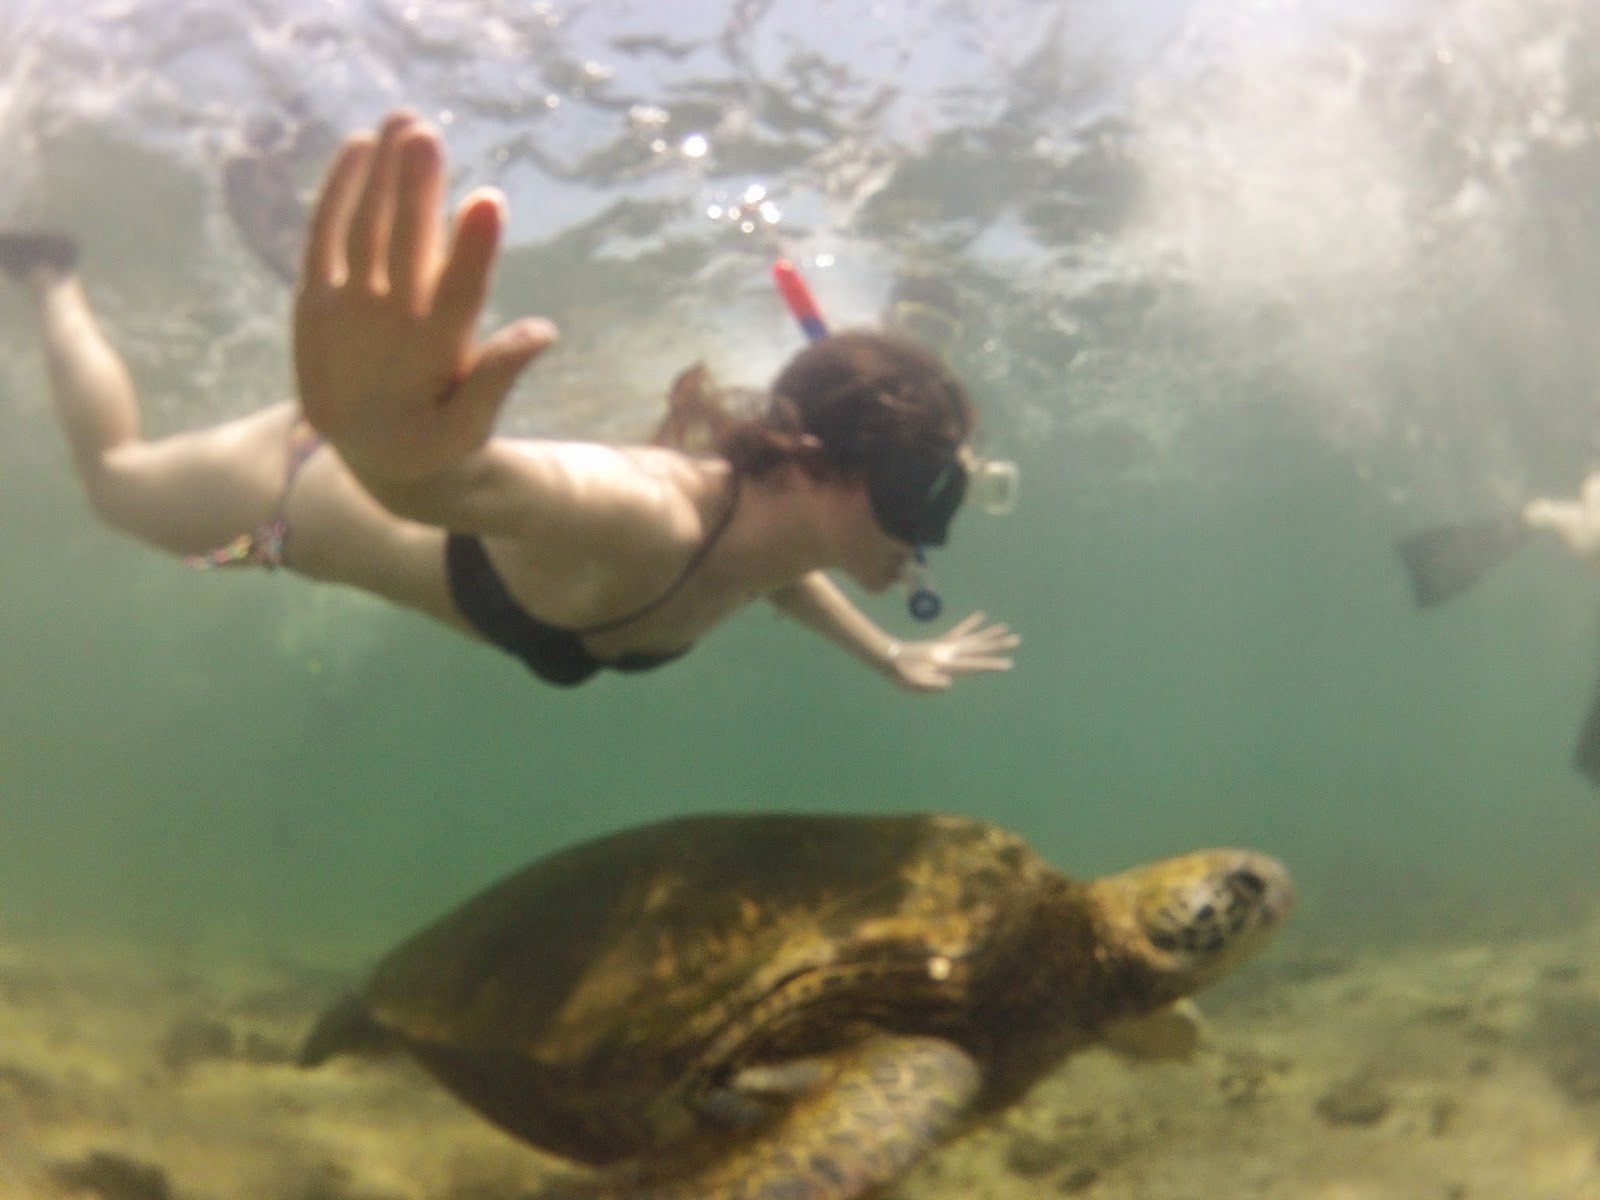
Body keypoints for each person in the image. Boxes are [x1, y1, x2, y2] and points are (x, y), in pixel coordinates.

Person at [2, 111, 1018, 691]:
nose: (935, 528)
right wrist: (389, 437)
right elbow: (459, 486)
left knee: (206, 560)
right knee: (113, 485)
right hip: (294, 486)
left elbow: (782, 577)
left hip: (292, 541)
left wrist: (887, 655)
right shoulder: (645, 508)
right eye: (920, 490)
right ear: (812, 461)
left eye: (947, 494)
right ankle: (51, 275)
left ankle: (325, 390)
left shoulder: (778, 535)